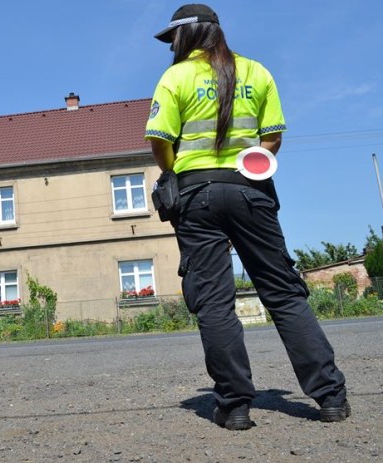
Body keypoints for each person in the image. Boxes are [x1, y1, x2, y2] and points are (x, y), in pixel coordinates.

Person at [145, 4, 349, 430]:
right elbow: (271, 139)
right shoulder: (257, 72)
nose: (172, 47)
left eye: (173, 39)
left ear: (188, 36)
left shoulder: (175, 77)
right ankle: (329, 396)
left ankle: (234, 406)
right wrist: (244, 164)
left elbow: (159, 140)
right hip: (250, 190)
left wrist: (173, 170)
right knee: (284, 294)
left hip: (195, 196)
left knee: (215, 302)